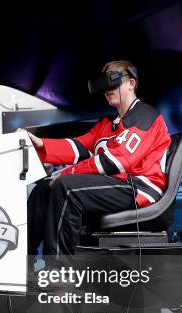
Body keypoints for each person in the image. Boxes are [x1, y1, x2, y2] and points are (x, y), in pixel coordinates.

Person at [24, 60, 171, 259]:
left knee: (67, 187)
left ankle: (58, 274)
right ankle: (24, 261)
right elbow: (80, 147)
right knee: (43, 188)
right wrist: (41, 144)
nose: (106, 90)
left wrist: (66, 174)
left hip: (137, 188)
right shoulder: (106, 125)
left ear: (131, 83)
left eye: (112, 82)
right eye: (103, 85)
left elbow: (118, 161)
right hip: (114, 185)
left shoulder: (146, 115)